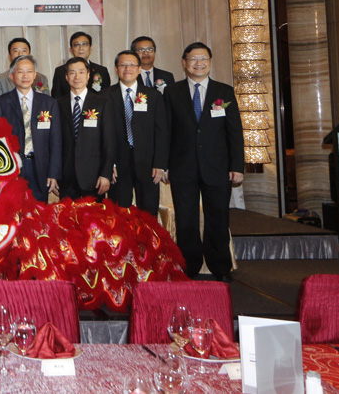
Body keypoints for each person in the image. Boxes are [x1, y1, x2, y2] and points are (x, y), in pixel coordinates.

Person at [166, 42, 244, 281]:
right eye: (193, 59)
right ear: (184, 63)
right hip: (182, 167)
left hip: (217, 167)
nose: (198, 63)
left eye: (203, 59)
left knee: (218, 218)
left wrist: (237, 166)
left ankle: (220, 266)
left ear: (209, 62)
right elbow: (166, 131)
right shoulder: (172, 92)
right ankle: (189, 266)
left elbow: (234, 132)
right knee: (186, 220)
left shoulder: (224, 91)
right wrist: (164, 164)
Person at [105, 51, 169, 216]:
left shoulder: (153, 96)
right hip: (117, 166)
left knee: (148, 215)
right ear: (116, 69)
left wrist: (160, 163)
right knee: (118, 216)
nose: (128, 69)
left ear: (139, 69)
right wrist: (108, 165)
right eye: (123, 65)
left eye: (132, 65)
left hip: (148, 165)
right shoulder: (104, 96)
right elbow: (102, 134)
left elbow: (161, 131)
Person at [0, 55, 62, 202]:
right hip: (12, 167)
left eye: (29, 71)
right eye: (20, 72)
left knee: (39, 211)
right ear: (11, 76)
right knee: (13, 210)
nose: (25, 76)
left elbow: (55, 140)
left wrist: (53, 173)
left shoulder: (49, 103)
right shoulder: (1, 102)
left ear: (35, 75)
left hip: (40, 167)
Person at [57, 57, 115, 200]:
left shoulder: (102, 103)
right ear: (66, 77)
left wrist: (106, 174)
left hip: (94, 177)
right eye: (72, 73)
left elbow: (109, 141)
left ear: (88, 75)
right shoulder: (57, 104)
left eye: (81, 72)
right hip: (66, 177)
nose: (77, 77)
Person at [51, 32, 112, 98]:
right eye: (77, 45)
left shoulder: (101, 71)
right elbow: (56, 98)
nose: (81, 48)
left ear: (90, 48)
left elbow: (106, 97)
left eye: (84, 44)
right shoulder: (60, 71)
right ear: (71, 50)